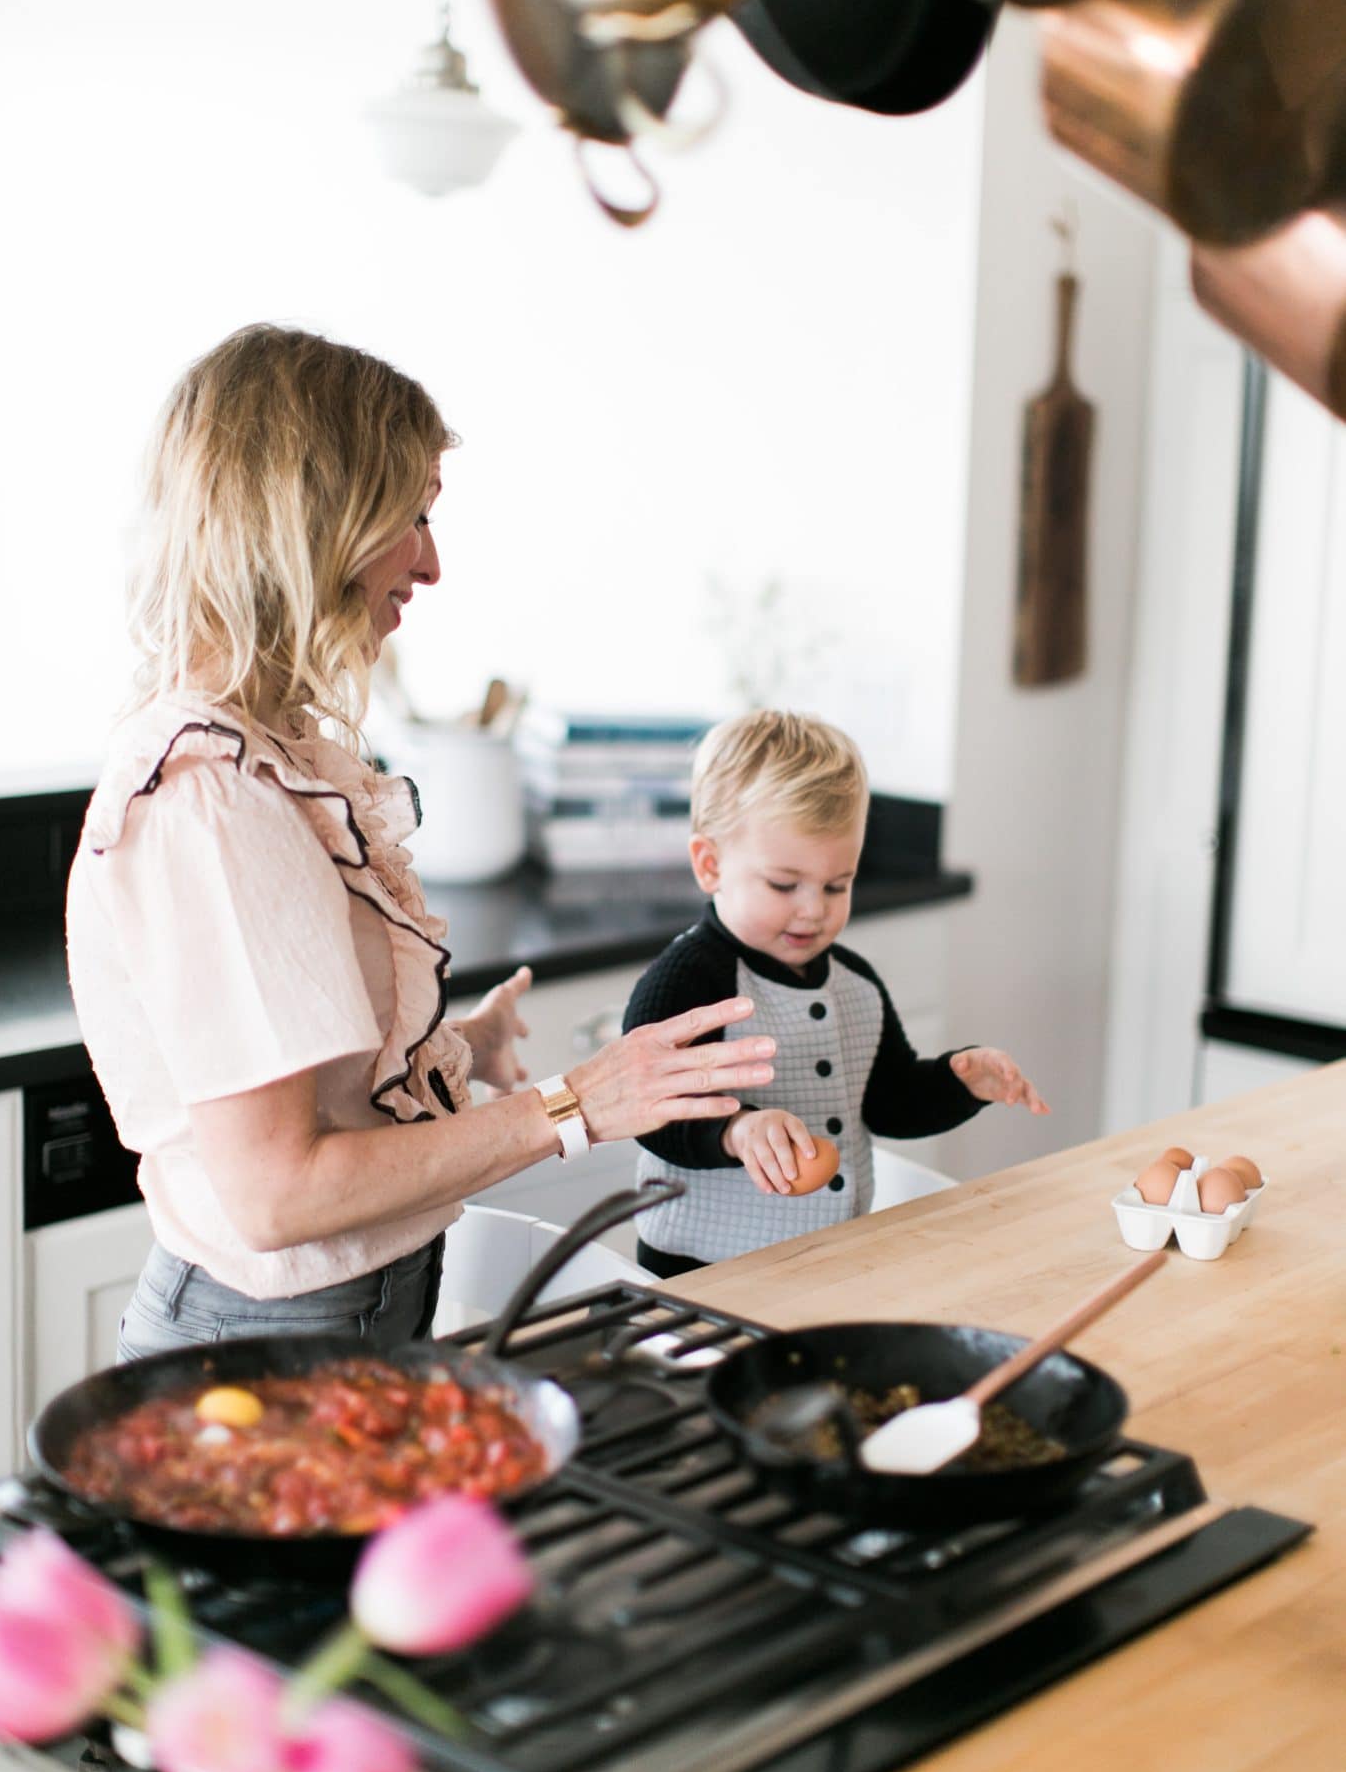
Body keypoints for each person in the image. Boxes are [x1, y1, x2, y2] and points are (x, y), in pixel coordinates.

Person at [66, 325, 776, 1359]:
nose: (431, 562)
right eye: (412, 516)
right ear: (316, 517)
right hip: (268, 1341)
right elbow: (275, 1193)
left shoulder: (270, 752)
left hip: (352, 1314)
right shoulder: (207, 800)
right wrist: (579, 1100)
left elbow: (314, 1089)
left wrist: (450, 1053)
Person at [622, 711, 1050, 1275]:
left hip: (828, 1264)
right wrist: (735, 1130)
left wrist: (957, 1081)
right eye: (784, 884)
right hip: (701, 1273)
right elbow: (646, 1111)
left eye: (837, 885)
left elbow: (888, 1102)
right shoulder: (689, 982)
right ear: (710, 864)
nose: (814, 908)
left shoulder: (858, 986)